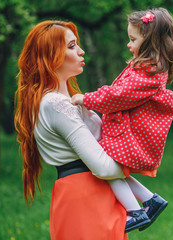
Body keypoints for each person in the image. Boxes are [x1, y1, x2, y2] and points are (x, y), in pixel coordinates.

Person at [71, 8, 173, 232]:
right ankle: (151, 200)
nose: (128, 44)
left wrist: (86, 99)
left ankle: (137, 212)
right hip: (123, 133)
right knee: (113, 171)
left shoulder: (147, 75)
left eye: (133, 39)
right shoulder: (145, 70)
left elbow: (117, 96)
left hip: (127, 137)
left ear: (151, 43)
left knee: (104, 170)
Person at [14, 20, 128, 239]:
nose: (81, 51)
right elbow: (103, 167)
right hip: (86, 195)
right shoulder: (56, 104)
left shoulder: (63, 100)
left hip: (92, 193)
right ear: (51, 56)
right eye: (72, 46)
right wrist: (138, 161)